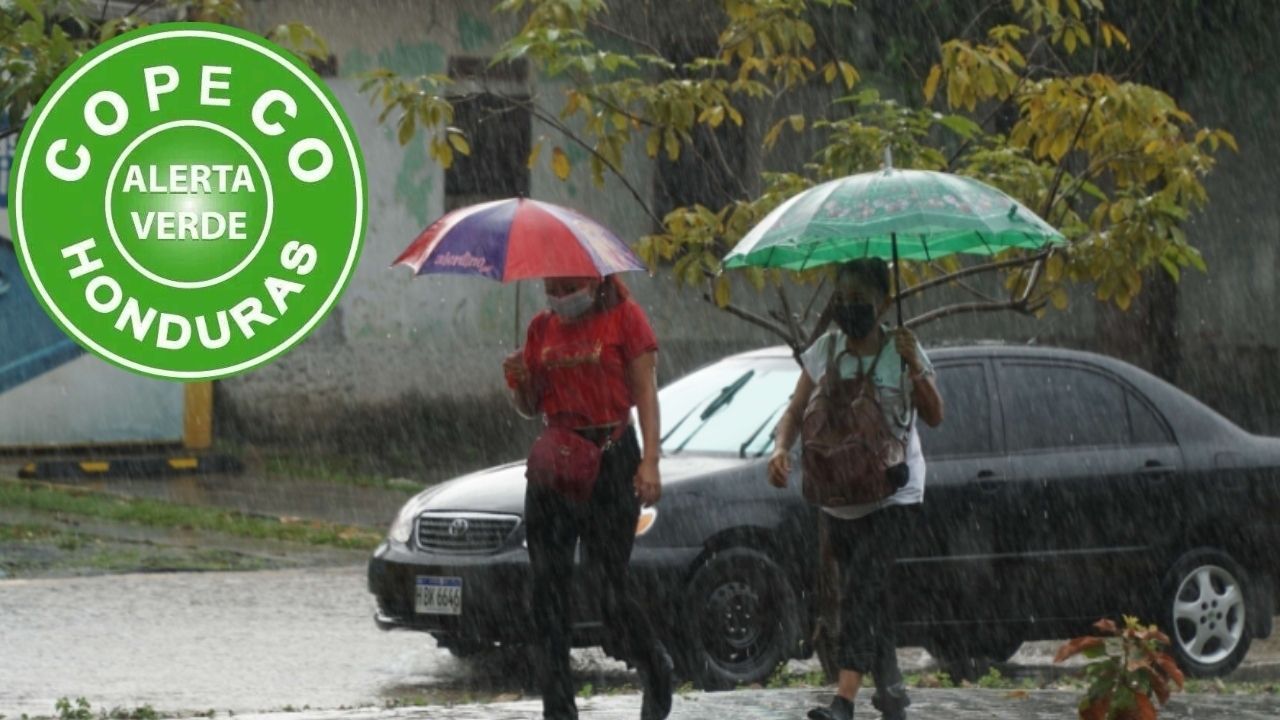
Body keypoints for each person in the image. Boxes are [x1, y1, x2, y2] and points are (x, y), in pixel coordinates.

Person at [767, 258, 944, 720]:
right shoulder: (825, 350)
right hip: (840, 497)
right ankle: (892, 692)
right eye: (842, 299)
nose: (849, 308)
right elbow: (795, 410)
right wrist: (780, 448)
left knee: (862, 589)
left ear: (884, 303)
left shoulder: (902, 349)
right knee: (870, 594)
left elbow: (935, 415)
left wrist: (914, 366)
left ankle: (843, 701)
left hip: (894, 494)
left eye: (860, 299)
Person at [503, 274, 674, 720]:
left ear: (594, 282)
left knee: (608, 590)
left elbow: (645, 393)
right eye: (552, 290)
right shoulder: (540, 328)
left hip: (612, 461)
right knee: (547, 592)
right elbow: (530, 405)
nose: (560, 298)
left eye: (569, 288)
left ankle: (654, 666)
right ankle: (558, 709)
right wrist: (520, 381)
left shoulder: (625, 318)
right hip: (556, 466)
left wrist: (650, 460)